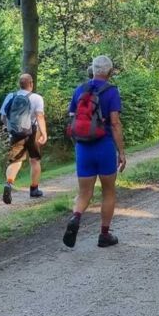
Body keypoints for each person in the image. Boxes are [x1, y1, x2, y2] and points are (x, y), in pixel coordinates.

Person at [63, 55, 126, 248]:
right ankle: (104, 235)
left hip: (83, 147)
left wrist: (77, 144)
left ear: (92, 69)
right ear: (109, 71)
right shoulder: (111, 91)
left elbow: (73, 120)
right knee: (108, 191)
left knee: (84, 193)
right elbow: (114, 123)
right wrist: (121, 152)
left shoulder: (79, 89)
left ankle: (76, 216)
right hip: (104, 146)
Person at [0, 73, 47, 204]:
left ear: (19, 84)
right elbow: (40, 117)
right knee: (35, 160)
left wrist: (12, 129)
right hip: (33, 133)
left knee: (15, 161)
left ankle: (8, 184)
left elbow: (3, 117)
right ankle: (34, 190)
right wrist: (44, 133)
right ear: (31, 83)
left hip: (16, 134)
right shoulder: (37, 98)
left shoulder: (11, 96)